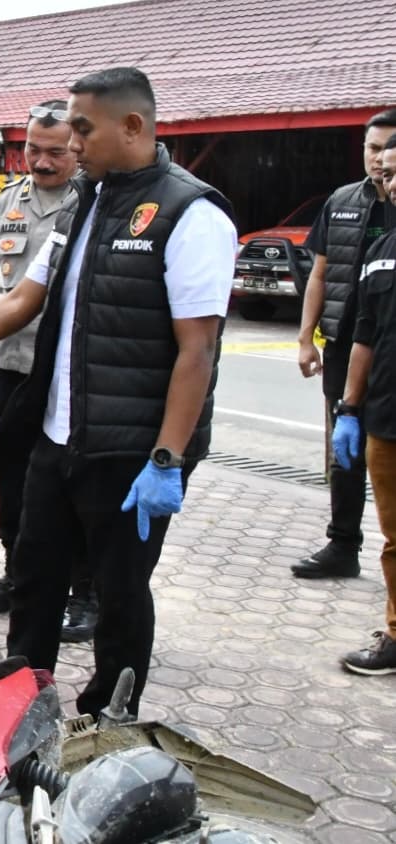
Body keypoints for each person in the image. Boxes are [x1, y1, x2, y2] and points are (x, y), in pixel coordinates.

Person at [0, 67, 236, 717]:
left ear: (133, 126)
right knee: (35, 576)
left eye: (84, 129)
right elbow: (22, 299)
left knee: (120, 593)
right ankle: (21, 698)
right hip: (58, 434)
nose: (72, 142)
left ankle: (108, 715)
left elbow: (198, 349)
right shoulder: (85, 202)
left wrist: (166, 458)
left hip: (131, 450)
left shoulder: (191, 213)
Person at [0, 101, 97, 645]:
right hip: (13, 362)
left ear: (76, 148)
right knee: (10, 474)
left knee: (71, 483)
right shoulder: (9, 199)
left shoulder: (91, 201)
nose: (42, 162)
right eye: (32, 150)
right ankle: (18, 575)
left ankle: (84, 595)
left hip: (65, 369)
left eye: (55, 152)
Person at [292, 109, 396, 580]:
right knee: (345, 451)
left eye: (387, 149)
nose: (378, 159)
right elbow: (319, 273)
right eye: (372, 148)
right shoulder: (341, 201)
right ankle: (342, 545)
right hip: (344, 346)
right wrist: (306, 338)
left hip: (389, 348)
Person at [330, 135, 396, 675]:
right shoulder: (380, 253)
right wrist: (348, 409)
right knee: (395, 540)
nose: (393, 183)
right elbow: (364, 336)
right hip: (386, 418)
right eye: (388, 174)